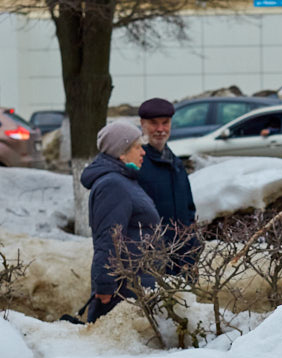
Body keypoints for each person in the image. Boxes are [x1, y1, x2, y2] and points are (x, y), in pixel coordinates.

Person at [79, 121, 160, 322]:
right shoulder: (113, 185)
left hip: (138, 282)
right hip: (124, 290)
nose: (143, 152)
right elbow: (108, 238)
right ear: (121, 153)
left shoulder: (125, 180)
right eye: (137, 147)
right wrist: (105, 287)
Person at [135, 97, 200, 273]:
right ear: (142, 124)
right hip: (151, 260)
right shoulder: (137, 164)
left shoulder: (175, 163)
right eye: (154, 123)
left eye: (165, 123)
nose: (160, 129)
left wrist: (192, 245)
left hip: (182, 258)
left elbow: (189, 209)